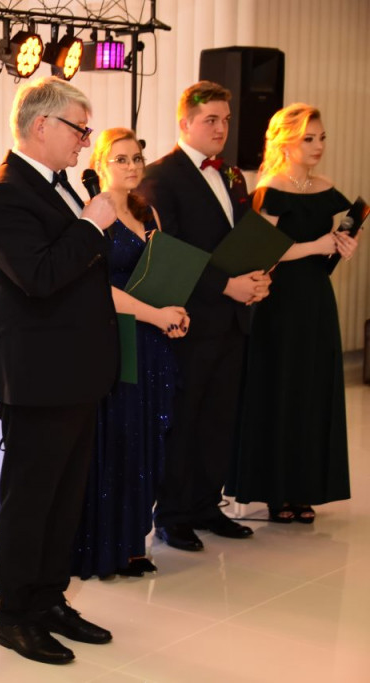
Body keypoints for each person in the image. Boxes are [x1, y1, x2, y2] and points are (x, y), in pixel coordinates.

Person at [0, 76, 118, 665]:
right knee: (31, 501)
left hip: (76, 370)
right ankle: (15, 616)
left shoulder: (59, 186)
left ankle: (49, 599)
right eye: (79, 128)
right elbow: (39, 277)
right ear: (41, 125)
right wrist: (90, 225)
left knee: (64, 498)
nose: (85, 140)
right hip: (37, 376)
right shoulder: (6, 193)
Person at [137, 81, 271, 553]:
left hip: (234, 318)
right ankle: (173, 514)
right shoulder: (161, 176)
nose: (221, 128)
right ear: (185, 122)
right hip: (191, 319)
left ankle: (206, 504)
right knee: (185, 419)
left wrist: (258, 277)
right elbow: (170, 249)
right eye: (210, 119)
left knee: (219, 416)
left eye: (225, 120)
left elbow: (241, 239)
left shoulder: (233, 176)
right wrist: (226, 285)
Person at [227, 104, 359, 523]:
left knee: (312, 389)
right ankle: (277, 493)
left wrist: (342, 246)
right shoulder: (271, 188)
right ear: (285, 142)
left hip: (316, 297)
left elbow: (326, 251)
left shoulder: (326, 187)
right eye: (308, 138)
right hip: (278, 302)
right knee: (281, 389)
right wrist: (318, 245)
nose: (318, 146)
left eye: (321, 138)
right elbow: (260, 253)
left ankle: (305, 490)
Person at [70, 128, 187, 580]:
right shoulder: (92, 213)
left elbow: (164, 272)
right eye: (121, 159)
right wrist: (156, 315)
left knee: (148, 439)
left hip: (154, 340)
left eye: (137, 157)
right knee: (117, 440)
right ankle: (106, 547)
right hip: (116, 335)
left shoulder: (146, 210)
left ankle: (135, 541)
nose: (133, 166)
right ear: (100, 164)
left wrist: (176, 313)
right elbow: (97, 288)